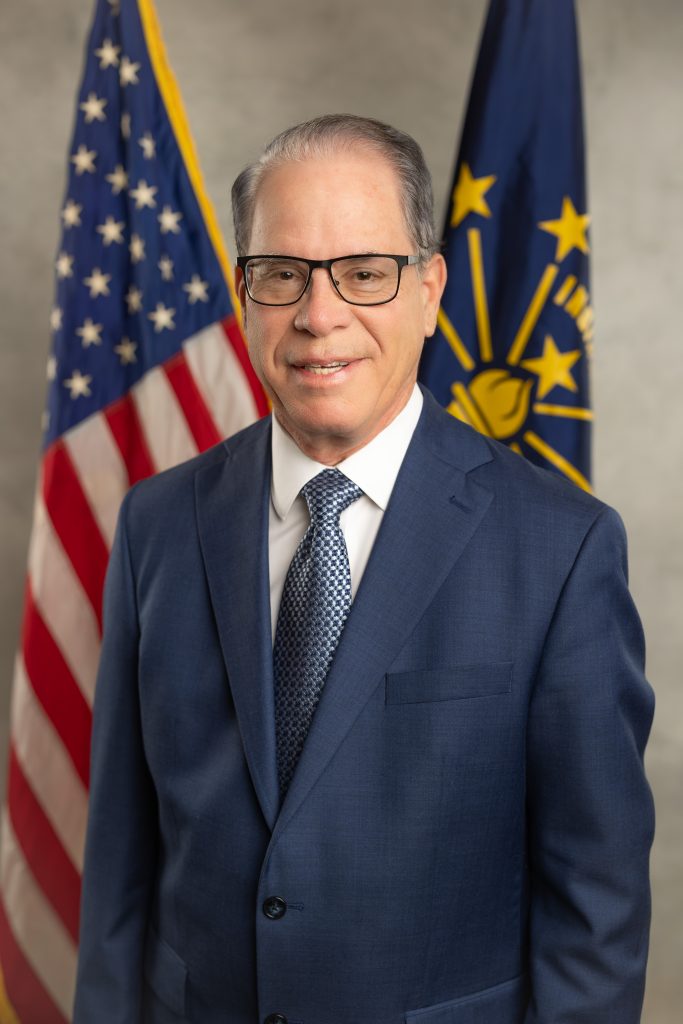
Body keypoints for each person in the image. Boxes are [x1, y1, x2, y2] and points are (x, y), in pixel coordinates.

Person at [74, 114, 655, 1024]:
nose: (319, 315)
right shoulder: (157, 525)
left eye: (364, 272)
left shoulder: (561, 549)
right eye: (282, 274)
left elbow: (595, 910)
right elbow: (120, 867)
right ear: (243, 294)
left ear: (428, 291)